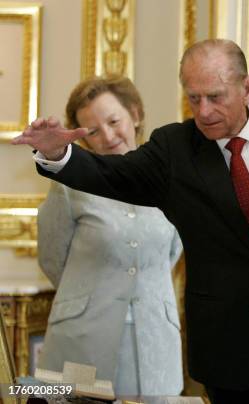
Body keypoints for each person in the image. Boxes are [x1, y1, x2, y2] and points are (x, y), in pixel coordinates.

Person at [13, 39, 249, 404]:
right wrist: (56, 153)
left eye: (215, 96)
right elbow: (105, 181)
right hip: (225, 345)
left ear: (247, 87)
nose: (204, 111)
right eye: (194, 99)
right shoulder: (174, 150)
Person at [36, 76, 183, 396]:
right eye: (92, 131)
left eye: (114, 121)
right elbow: (51, 258)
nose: (108, 135)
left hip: (153, 335)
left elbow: (172, 253)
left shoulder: (172, 177)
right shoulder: (68, 184)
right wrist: (91, 293)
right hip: (82, 335)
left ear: (136, 114)